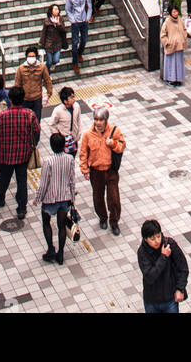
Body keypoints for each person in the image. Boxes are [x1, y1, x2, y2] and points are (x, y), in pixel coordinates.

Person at [0, 87, 40, 219]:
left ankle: (0, 197)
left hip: (6, 154)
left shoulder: (2, 116)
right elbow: (37, 129)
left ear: (10, 100)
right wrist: (32, 145)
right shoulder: (30, 114)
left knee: (4, 178)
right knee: (22, 180)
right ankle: (21, 208)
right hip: (23, 154)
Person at [80, 106, 125, 234]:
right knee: (98, 197)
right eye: (96, 119)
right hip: (96, 172)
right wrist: (85, 170)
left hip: (111, 171)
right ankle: (103, 218)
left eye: (101, 120)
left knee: (114, 198)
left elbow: (122, 146)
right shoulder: (87, 135)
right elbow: (83, 153)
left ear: (106, 120)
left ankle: (114, 221)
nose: (98, 122)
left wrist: (114, 144)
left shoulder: (114, 131)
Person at [34, 132, 77, 265]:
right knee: (61, 226)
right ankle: (61, 253)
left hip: (50, 198)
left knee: (46, 222)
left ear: (52, 146)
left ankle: (51, 249)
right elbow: (72, 179)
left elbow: (44, 183)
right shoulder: (70, 159)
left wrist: (37, 198)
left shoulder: (48, 162)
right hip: (64, 197)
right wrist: (72, 197)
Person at [138, 219, 189, 313]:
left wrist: (180, 289)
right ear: (145, 239)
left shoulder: (170, 245)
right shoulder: (142, 252)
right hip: (151, 301)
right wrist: (164, 257)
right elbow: (149, 276)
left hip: (170, 299)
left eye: (158, 236)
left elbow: (183, 268)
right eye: (152, 239)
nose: (157, 241)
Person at [14, 45, 54, 124]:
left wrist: (49, 94)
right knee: (24, 122)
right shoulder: (21, 69)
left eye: (33, 56)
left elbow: (47, 80)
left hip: (37, 99)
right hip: (25, 100)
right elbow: (17, 84)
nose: (31, 58)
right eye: (29, 56)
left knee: (36, 122)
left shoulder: (42, 67)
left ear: (36, 56)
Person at [66, 0, 93, 75]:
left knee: (84, 40)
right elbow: (68, 10)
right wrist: (73, 20)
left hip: (84, 21)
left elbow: (89, 5)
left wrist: (88, 17)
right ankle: (75, 63)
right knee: (74, 42)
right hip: (76, 22)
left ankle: (79, 53)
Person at [49, 86, 82, 157]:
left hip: (74, 138)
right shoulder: (58, 110)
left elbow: (79, 120)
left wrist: (79, 134)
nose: (74, 99)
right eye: (71, 97)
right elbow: (51, 124)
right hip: (64, 140)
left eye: (74, 96)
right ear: (65, 101)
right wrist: (58, 137)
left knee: (72, 157)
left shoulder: (77, 106)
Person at [160, 3, 187, 86]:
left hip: (179, 46)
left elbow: (184, 29)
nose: (176, 13)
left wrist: (183, 39)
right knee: (171, 64)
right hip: (171, 47)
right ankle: (170, 79)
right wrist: (167, 43)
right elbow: (163, 34)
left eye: (176, 12)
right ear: (170, 13)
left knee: (179, 63)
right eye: (174, 12)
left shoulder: (180, 20)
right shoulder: (167, 22)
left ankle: (178, 79)